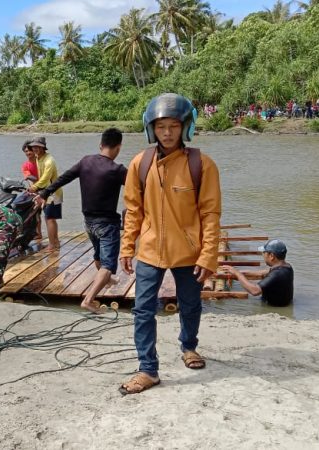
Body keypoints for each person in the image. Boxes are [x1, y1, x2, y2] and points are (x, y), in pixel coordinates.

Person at [118, 93, 222, 395]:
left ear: (185, 127)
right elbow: (133, 210)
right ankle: (148, 369)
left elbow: (210, 214)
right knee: (142, 310)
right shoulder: (140, 164)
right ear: (151, 128)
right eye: (161, 126)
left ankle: (189, 346)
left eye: (174, 126)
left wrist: (208, 255)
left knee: (190, 305)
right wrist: (127, 246)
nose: (167, 133)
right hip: (150, 250)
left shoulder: (202, 165)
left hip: (189, 252)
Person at [35, 128, 127, 314]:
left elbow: (64, 178)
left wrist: (44, 193)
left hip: (88, 222)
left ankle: (107, 280)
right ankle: (89, 300)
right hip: (107, 224)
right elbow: (140, 188)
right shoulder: (118, 170)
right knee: (108, 265)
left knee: (98, 256)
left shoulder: (86, 161)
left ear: (100, 145)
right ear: (118, 148)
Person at [220, 239, 293, 307]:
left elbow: (255, 291)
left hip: (273, 308)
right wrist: (236, 272)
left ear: (271, 256)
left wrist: (238, 274)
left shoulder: (277, 273)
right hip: (282, 304)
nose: (263, 255)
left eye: (264, 253)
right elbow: (260, 273)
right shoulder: (287, 267)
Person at [26, 136, 62, 251]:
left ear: (43, 147)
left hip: (53, 192)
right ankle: (56, 242)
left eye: (38, 146)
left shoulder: (49, 160)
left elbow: (46, 178)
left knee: (49, 218)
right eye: (33, 147)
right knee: (50, 218)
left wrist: (34, 187)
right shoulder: (38, 157)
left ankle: (52, 244)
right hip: (46, 191)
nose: (35, 149)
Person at [20, 139, 42, 240]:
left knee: (48, 215)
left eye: (29, 150)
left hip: (46, 188)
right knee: (35, 213)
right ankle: (38, 233)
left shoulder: (41, 161)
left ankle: (40, 234)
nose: (28, 153)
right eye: (26, 151)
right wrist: (34, 189)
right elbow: (29, 178)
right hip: (34, 190)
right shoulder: (25, 165)